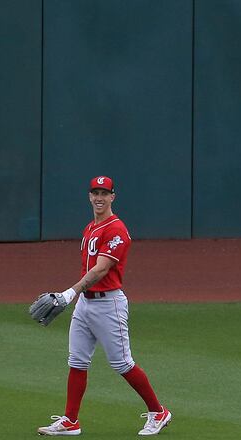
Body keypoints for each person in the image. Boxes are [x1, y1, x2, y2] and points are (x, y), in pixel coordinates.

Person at [35, 176, 171, 436]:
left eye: (104, 193)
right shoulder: (90, 228)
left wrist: (69, 293)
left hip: (109, 305)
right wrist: (76, 297)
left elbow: (101, 269)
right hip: (86, 304)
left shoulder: (117, 230)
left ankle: (158, 412)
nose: (99, 197)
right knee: (77, 361)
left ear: (113, 197)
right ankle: (70, 421)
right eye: (95, 192)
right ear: (89, 196)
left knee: (122, 363)